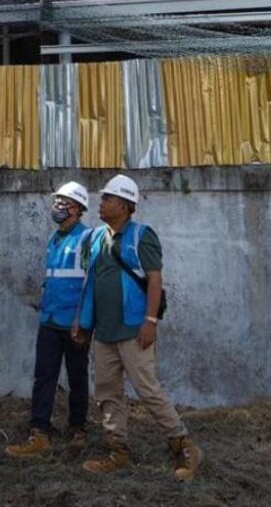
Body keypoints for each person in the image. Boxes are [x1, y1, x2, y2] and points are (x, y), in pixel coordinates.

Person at [73, 174, 202, 482]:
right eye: (103, 198)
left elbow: (155, 279)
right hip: (103, 332)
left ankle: (183, 444)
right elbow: (90, 282)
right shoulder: (94, 238)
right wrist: (82, 320)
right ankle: (117, 450)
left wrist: (150, 321)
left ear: (126, 205)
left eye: (108, 199)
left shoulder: (142, 236)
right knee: (107, 392)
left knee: (147, 388)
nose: (101, 203)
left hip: (134, 329)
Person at [6, 181, 91, 457]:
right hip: (50, 320)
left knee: (77, 377)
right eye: (56, 202)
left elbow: (90, 283)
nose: (57, 207)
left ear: (78, 209)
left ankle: (78, 428)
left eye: (64, 202)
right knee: (44, 377)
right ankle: (39, 430)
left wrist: (83, 320)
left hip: (74, 323)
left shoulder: (88, 239)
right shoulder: (54, 239)